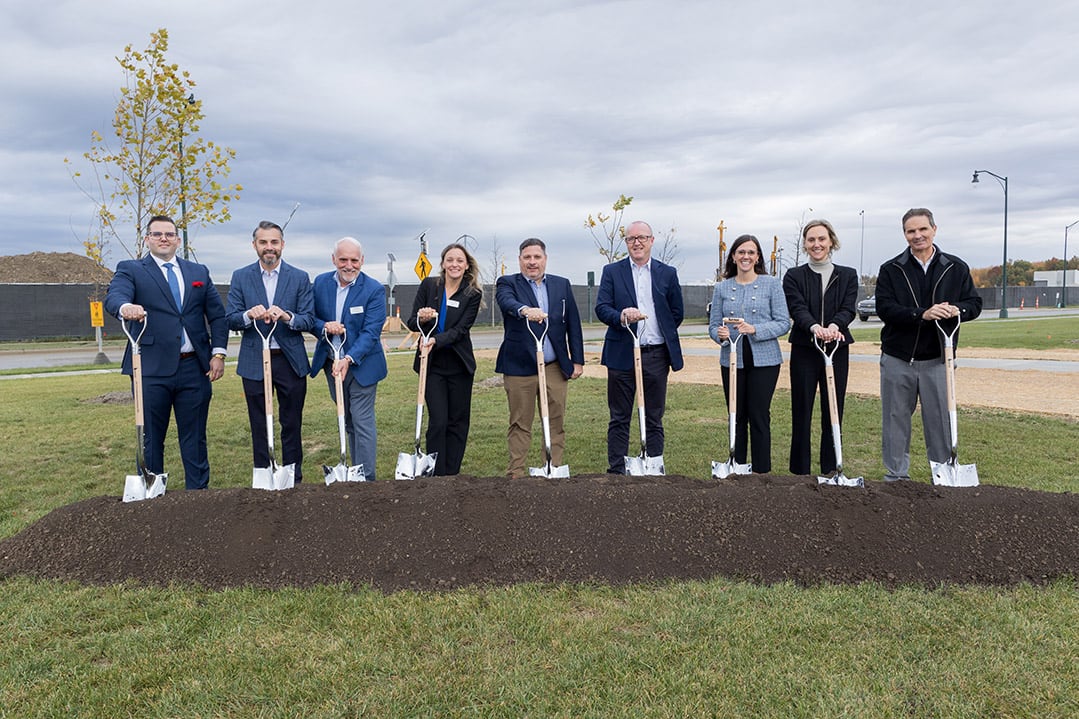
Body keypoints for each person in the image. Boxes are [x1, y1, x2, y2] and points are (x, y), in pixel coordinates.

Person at [104, 214, 228, 490]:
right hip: (150, 369)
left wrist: (218, 353)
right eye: (157, 234)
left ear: (177, 240)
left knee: (194, 438)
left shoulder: (198, 272)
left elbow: (217, 317)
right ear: (147, 239)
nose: (164, 238)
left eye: (169, 234)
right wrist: (126, 308)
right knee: (150, 437)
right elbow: (115, 296)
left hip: (194, 369)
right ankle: (152, 494)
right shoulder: (132, 269)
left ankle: (197, 497)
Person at [876, 208, 982, 482]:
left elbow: (975, 304)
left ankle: (944, 475)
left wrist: (956, 310)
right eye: (911, 231)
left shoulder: (955, 267)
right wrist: (920, 313)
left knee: (940, 422)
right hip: (899, 358)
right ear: (905, 234)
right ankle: (896, 478)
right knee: (895, 420)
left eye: (923, 229)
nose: (917, 235)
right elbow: (885, 308)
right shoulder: (891, 269)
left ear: (934, 229)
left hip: (939, 358)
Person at [226, 220, 315, 482]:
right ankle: (264, 476)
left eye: (274, 242)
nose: (269, 247)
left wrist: (287, 316)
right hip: (255, 361)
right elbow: (230, 317)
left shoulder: (299, 277)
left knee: (291, 422)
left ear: (282, 245)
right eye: (263, 242)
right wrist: (247, 315)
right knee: (259, 423)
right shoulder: (241, 276)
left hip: (289, 361)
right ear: (254, 245)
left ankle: (292, 477)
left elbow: (308, 319)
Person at [595, 221, 684, 474]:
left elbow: (676, 313)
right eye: (631, 238)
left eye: (642, 237)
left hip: (655, 354)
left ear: (651, 240)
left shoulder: (667, 273)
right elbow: (602, 308)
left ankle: (653, 465)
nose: (637, 242)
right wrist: (621, 315)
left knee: (654, 416)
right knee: (620, 416)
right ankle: (617, 470)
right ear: (626, 243)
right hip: (622, 353)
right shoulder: (612, 271)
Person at [495, 238, 585, 478]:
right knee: (520, 422)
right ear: (520, 260)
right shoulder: (507, 283)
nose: (532, 262)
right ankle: (516, 473)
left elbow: (573, 323)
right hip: (519, 367)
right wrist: (525, 310)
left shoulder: (561, 285)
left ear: (545, 259)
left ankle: (552, 468)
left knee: (555, 420)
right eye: (527, 257)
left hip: (554, 365)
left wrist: (577, 360)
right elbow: (507, 303)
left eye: (537, 257)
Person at [782, 219, 858, 475]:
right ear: (805, 243)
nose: (817, 244)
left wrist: (835, 326)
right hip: (805, 348)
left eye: (821, 239)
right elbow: (797, 308)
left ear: (831, 241)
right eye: (811, 239)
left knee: (833, 410)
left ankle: (831, 469)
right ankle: (800, 472)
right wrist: (814, 327)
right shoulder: (794, 276)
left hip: (837, 349)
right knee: (801, 410)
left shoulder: (847, 275)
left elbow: (848, 308)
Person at [709, 234, 790, 474]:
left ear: (757, 257)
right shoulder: (722, 287)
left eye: (751, 252)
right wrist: (720, 335)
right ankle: (737, 467)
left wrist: (756, 329)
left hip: (765, 359)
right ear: (733, 256)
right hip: (732, 359)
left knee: (758, 414)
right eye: (741, 252)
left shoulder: (772, 284)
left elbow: (784, 323)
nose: (746, 257)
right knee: (736, 413)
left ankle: (761, 472)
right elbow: (713, 326)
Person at [310, 237, 388, 478]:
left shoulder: (373, 289)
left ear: (362, 261)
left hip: (362, 365)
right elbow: (310, 319)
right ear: (333, 259)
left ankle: (365, 480)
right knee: (348, 420)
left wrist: (349, 358)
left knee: (362, 421)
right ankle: (353, 471)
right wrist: (325, 326)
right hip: (332, 365)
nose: (349, 265)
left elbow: (371, 331)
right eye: (343, 259)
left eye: (354, 260)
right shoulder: (321, 283)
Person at [406, 242, 483, 476]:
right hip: (432, 365)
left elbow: (461, 330)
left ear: (467, 264)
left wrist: (435, 341)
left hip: (459, 364)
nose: (454, 264)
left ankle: (452, 474)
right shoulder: (430, 286)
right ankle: (436, 474)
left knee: (457, 422)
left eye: (459, 260)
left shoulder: (472, 293)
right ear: (442, 263)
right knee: (438, 421)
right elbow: (412, 323)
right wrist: (423, 318)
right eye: (450, 260)